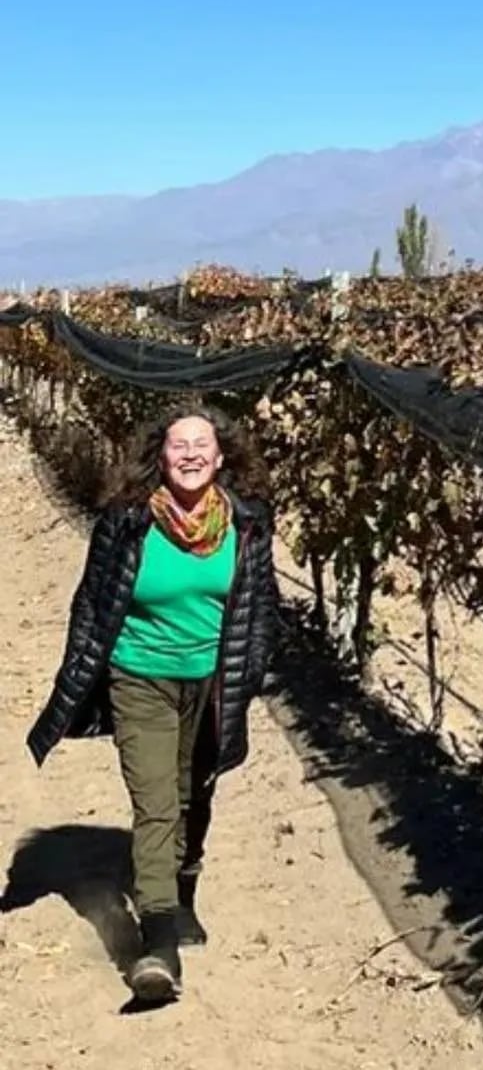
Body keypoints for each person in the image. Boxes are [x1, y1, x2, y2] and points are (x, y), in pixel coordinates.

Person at [27, 405, 280, 1003]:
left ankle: (183, 889)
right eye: (177, 444)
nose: (190, 454)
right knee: (157, 800)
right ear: (158, 456)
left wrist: (253, 668)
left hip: (213, 683)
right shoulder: (127, 521)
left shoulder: (248, 523)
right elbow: (92, 601)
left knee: (196, 793)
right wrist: (83, 673)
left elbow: (261, 607)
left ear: (222, 458)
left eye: (202, 444)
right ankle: (158, 944)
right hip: (138, 675)